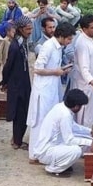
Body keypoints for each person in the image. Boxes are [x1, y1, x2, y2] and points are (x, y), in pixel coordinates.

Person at [27, 22, 76, 161]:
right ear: (61, 36)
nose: (69, 42)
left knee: (49, 122)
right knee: (40, 122)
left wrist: (63, 69)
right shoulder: (48, 47)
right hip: (43, 91)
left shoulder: (58, 48)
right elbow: (37, 68)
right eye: (68, 39)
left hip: (52, 89)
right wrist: (56, 71)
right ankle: (34, 154)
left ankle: (43, 152)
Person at [31, 89, 93, 177]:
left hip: (54, 144)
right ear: (76, 106)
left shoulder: (61, 106)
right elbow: (69, 140)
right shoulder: (65, 114)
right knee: (76, 150)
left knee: (87, 139)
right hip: (46, 151)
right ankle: (54, 169)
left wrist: (90, 132)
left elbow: (73, 126)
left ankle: (63, 164)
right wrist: (90, 142)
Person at [0, 17, 33, 150]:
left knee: (24, 112)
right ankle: (17, 141)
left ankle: (17, 139)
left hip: (23, 83)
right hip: (17, 85)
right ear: (20, 29)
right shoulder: (14, 46)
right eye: (28, 29)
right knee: (19, 113)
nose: (30, 31)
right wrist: (4, 82)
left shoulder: (22, 42)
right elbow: (8, 66)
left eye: (31, 29)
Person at [73, 14, 93, 129]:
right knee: (85, 118)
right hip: (87, 87)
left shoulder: (92, 40)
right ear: (84, 29)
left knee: (92, 117)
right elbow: (84, 70)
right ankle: (84, 145)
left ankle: (91, 138)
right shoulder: (82, 43)